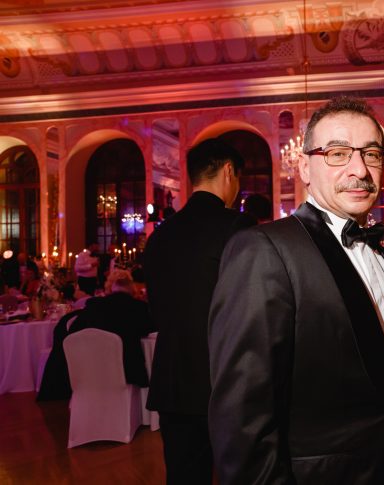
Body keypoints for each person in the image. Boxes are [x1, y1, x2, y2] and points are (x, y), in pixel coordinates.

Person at [208, 96, 384, 485]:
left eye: (372, 154)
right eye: (338, 153)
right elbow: (243, 419)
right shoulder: (265, 250)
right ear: (304, 167)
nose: (359, 169)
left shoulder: (382, 255)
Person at [144, 137, 251, 485]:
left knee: (184, 477)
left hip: (173, 381)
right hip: (225, 381)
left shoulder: (160, 236)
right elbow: (251, 309)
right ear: (229, 172)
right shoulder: (236, 227)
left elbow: (156, 311)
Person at [69, 272, 154, 388]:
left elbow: (74, 329)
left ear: (110, 289)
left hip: (93, 369)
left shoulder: (94, 306)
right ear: (133, 291)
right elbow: (151, 330)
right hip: (129, 373)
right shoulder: (139, 308)